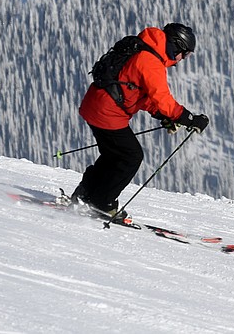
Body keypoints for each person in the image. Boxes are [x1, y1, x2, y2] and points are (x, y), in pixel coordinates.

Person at [70, 23, 209, 219]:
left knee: (113, 155)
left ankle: (85, 194)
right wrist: (189, 119)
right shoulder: (150, 61)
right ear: (176, 45)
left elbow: (138, 95)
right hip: (107, 112)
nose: (182, 59)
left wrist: (163, 116)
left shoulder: (144, 50)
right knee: (130, 157)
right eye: (185, 54)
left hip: (95, 105)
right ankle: (102, 203)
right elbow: (162, 98)